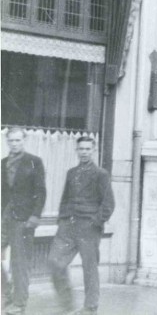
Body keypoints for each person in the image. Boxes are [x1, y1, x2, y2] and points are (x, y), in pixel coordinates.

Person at [49, 135, 115, 315]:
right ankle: (67, 306)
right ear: (76, 150)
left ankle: (90, 308)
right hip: (68, 226)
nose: (84, 152)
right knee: (55, 261)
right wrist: (62, 220)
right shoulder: (71, 173)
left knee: (89, 268)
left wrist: (96, 222)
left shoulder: (101, 174)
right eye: (81, 149)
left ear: (93, 150)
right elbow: (65, 199)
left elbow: (108, 203)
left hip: (89, 227)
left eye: (88, 149)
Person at [2, 128, 46, 315]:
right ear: (7, 141)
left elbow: (41, 192)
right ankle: (6, 294)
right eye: (11, 140)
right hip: (4, 219)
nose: (14, 144)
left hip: (24, 221)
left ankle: (20, 304)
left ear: (24, 140)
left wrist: (34, 217)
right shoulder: (2, 163)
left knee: (19, 263)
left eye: (18, 140)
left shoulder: (34, 162)